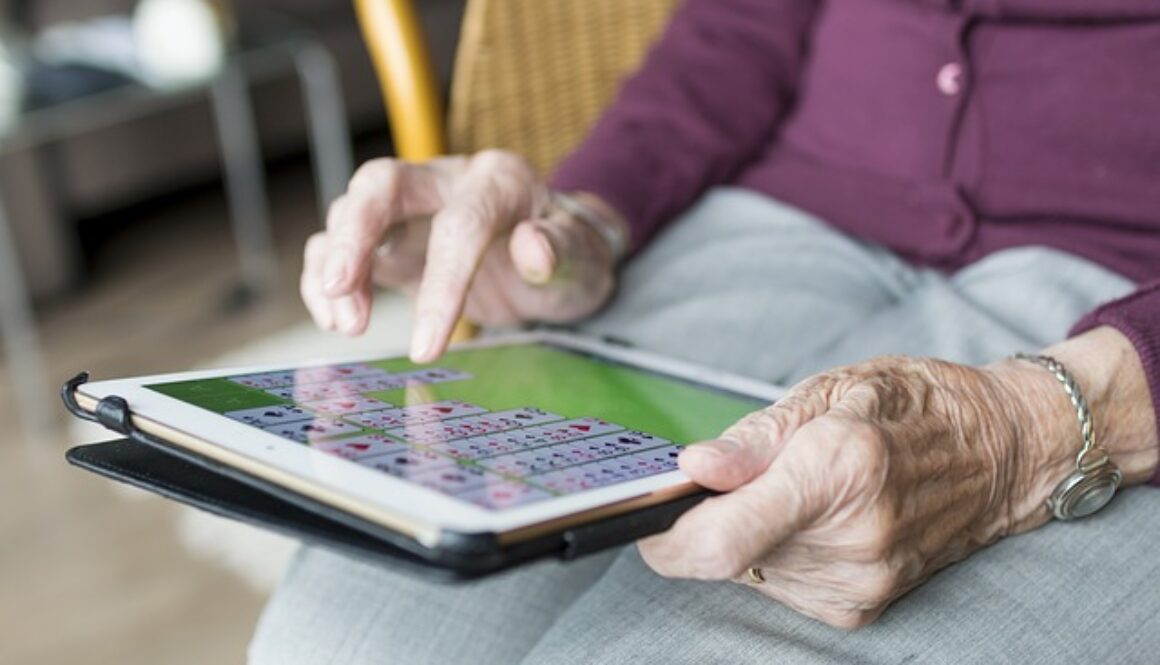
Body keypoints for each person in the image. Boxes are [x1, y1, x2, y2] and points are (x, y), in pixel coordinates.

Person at [250, 0, 1160, 662]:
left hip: (1114, 302)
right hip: (774, 218)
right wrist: (579, 229)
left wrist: (1026, 432)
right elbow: (739, 27)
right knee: (338, 640)